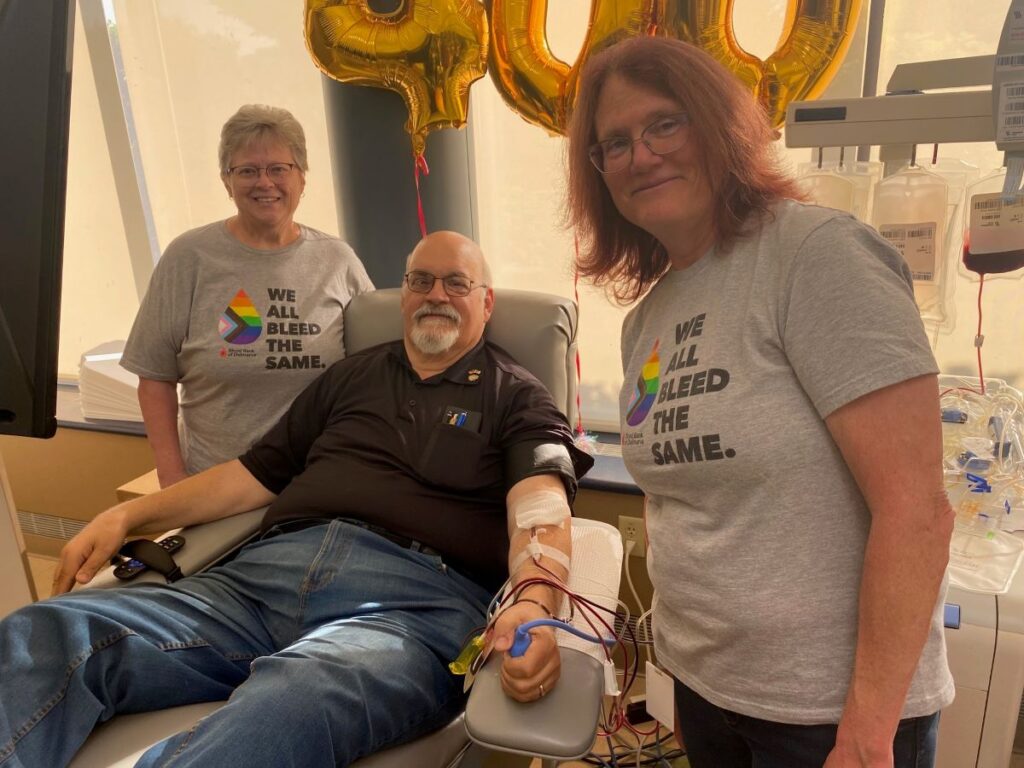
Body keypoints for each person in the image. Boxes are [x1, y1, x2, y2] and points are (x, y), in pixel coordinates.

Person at [0, 231, 592, 768]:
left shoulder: (517, 395)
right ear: (403, 295)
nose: (436, 294)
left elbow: (541, 506)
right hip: (254, 587)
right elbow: (253, 475)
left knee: (291, 698)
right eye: (420, 280)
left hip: (410, 609)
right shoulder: (349, 377)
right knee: (46, 633)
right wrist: (127, 514)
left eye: (457, 282)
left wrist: (534, 600)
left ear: (486, 303)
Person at [566, 36, 954, 768]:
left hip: (825, 716)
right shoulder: (648, 317)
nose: (640, 155)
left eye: (664, 124)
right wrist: (680, 681)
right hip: (712, 691)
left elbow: (917, 511)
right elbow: (685, 502)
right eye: (613, 143)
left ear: (718, 127)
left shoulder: (815, 256)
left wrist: (866, 736)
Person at [121, 104, 374, 489]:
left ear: (302, 178)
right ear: (227, 181)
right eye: (248, 171)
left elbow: (373, 371)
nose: (264, 182)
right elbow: (154, 378)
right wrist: (172, 479)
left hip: (316, 483)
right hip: (215, 484)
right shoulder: (188, 258)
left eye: (278, 169)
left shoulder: (337, 260)